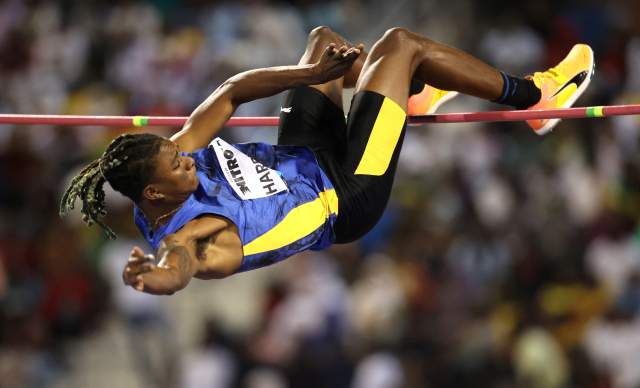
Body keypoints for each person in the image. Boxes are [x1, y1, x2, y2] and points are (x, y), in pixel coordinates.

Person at [60, 27, 594, 295]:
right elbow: (179, 269)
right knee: (401, 45)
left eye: (179, 151)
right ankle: (535, 99)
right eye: (178, 167)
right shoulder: (190, 237)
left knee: (323, 44)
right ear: (154, 193)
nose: (188, 158)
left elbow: (232, 90)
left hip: (303, 155)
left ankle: (407, 99)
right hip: (345, 195)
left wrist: (311, 78)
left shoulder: (164, 165)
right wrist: (152, 279)